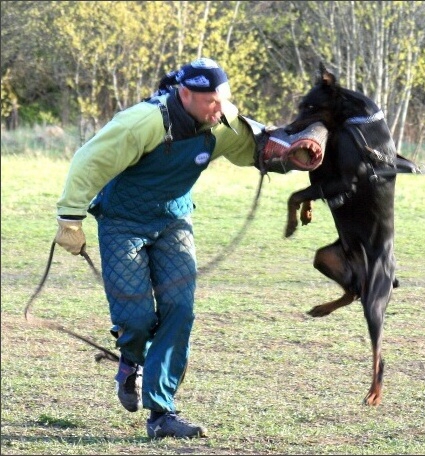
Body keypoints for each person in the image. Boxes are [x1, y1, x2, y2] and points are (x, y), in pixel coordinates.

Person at [54, 57, 326, 439]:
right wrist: (69, 218)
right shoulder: (143, 122)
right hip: (122, 223)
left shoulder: (223, 120)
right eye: (211, 101)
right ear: (185, 94)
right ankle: (130, 361)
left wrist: (292, 156)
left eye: (223, 100)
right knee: (135, 319)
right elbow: (89, 161)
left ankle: (161, 413)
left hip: (173, 222)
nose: (220, 108)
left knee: (179, 310)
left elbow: (257, 149)